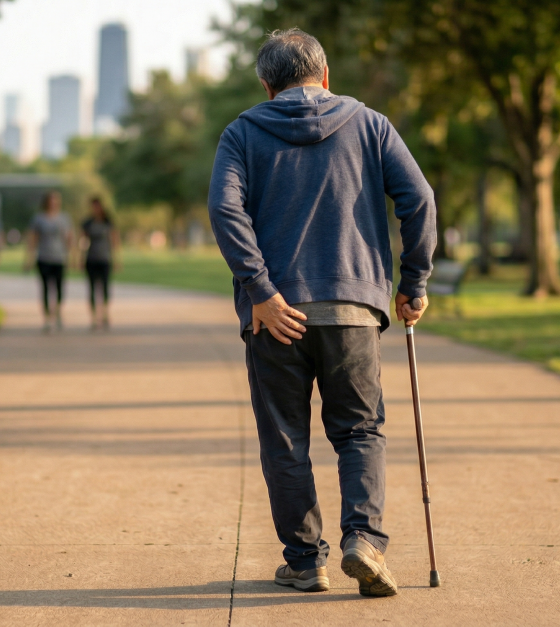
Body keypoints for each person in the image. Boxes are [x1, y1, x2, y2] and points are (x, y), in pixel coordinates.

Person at [208, 29, 436, 597]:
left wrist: (261, 291)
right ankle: (364, 541)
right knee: (359, 430)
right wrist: (413, 282)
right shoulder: (370, 124)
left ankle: (307, 562)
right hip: (353, 307)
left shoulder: (242, 132)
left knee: (285, 439)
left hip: (274, 315)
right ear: (325, 75)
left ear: (267, 85)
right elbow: (420, 200)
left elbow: (225, 209)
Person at [24, 191, 74, 332]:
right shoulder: (39, 219)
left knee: (59, 288)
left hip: (59, 258)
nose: (53, 203)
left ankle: (57, 312)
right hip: (44, 257)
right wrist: (29, 258)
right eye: (51, 201)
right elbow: (33, 239)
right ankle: (46, 318)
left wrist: (72, 255)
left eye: (55, 201)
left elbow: (69, 237)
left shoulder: (64, 218)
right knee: (45, 288)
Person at [81, 196, 119, 330]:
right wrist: (80, 258)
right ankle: (93, 317)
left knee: (105, 288)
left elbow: (114, 241)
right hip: (91, 258)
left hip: (105, 258)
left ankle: (105, 313)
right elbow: (83, 241)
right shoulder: (87, 223)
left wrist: (116, 259)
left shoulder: (108, 222)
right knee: (91, 288)